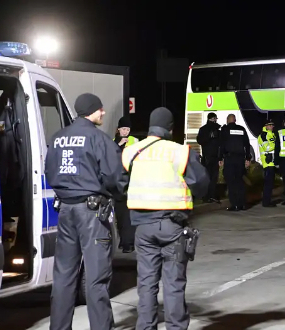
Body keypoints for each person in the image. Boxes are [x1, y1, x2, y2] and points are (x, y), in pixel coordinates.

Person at [122, 107, 209, 330]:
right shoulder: (179, 152)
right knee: (173, 284)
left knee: (146, 284)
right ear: (171, 127)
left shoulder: (132, 151)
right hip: (172, 225)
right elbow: (201, 183)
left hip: (142, 227)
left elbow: (117, 183)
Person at [45, 93, 126, 330]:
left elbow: (50, 172)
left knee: (64, 276)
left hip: (66, 210)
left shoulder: (58, 138)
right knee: (96, 278)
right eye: (100, 109)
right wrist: (119, 194)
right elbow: (115, 177)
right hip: (91, 213)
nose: (103, 113)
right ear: (91, 111)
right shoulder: (98, 139)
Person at [114, 116, 139, 253]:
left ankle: (128, 243)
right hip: (117, 183)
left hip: (131, 181)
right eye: (123, 129)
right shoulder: (112, 142)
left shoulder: (134, 141)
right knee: (120, 214)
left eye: (128, 129)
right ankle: (123, 241)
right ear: (118, 129)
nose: (125, 132)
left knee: (129, 214)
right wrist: (118, 146)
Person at [218, 114, 251, 211]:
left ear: (228, 120)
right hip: (240, 159)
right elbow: (247, 145)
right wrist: (248, 158)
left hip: (230, 159)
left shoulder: (225, 130)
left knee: (231, 182)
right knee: (240, 181)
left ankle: (235, 204)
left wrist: (220, 158)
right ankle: (242, 204)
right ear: (235, 120)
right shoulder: (242, 129)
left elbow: (221, 145)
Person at [196, 112, 221, 203]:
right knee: (213, 177)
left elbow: (199, 140)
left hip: (208, 157)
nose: (215, 120)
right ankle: (210, 196)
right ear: (213, 118)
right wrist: (210, 137)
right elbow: (200, 140)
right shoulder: (214, 129)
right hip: (212, 157)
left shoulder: (204, 129)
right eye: (215, 118)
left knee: (209, 177)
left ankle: (207, 196)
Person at [258, 119, 277, 207]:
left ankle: (268, 201)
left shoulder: (272, 134)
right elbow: (267, 148)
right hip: (267, 163)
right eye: (270, 125)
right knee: (268, 184)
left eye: (272, 125)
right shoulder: (263, 135)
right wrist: (276, 145)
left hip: (272, 163)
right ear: (266, 126)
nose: (272, 126)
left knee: (270, 184)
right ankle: (266, 202)